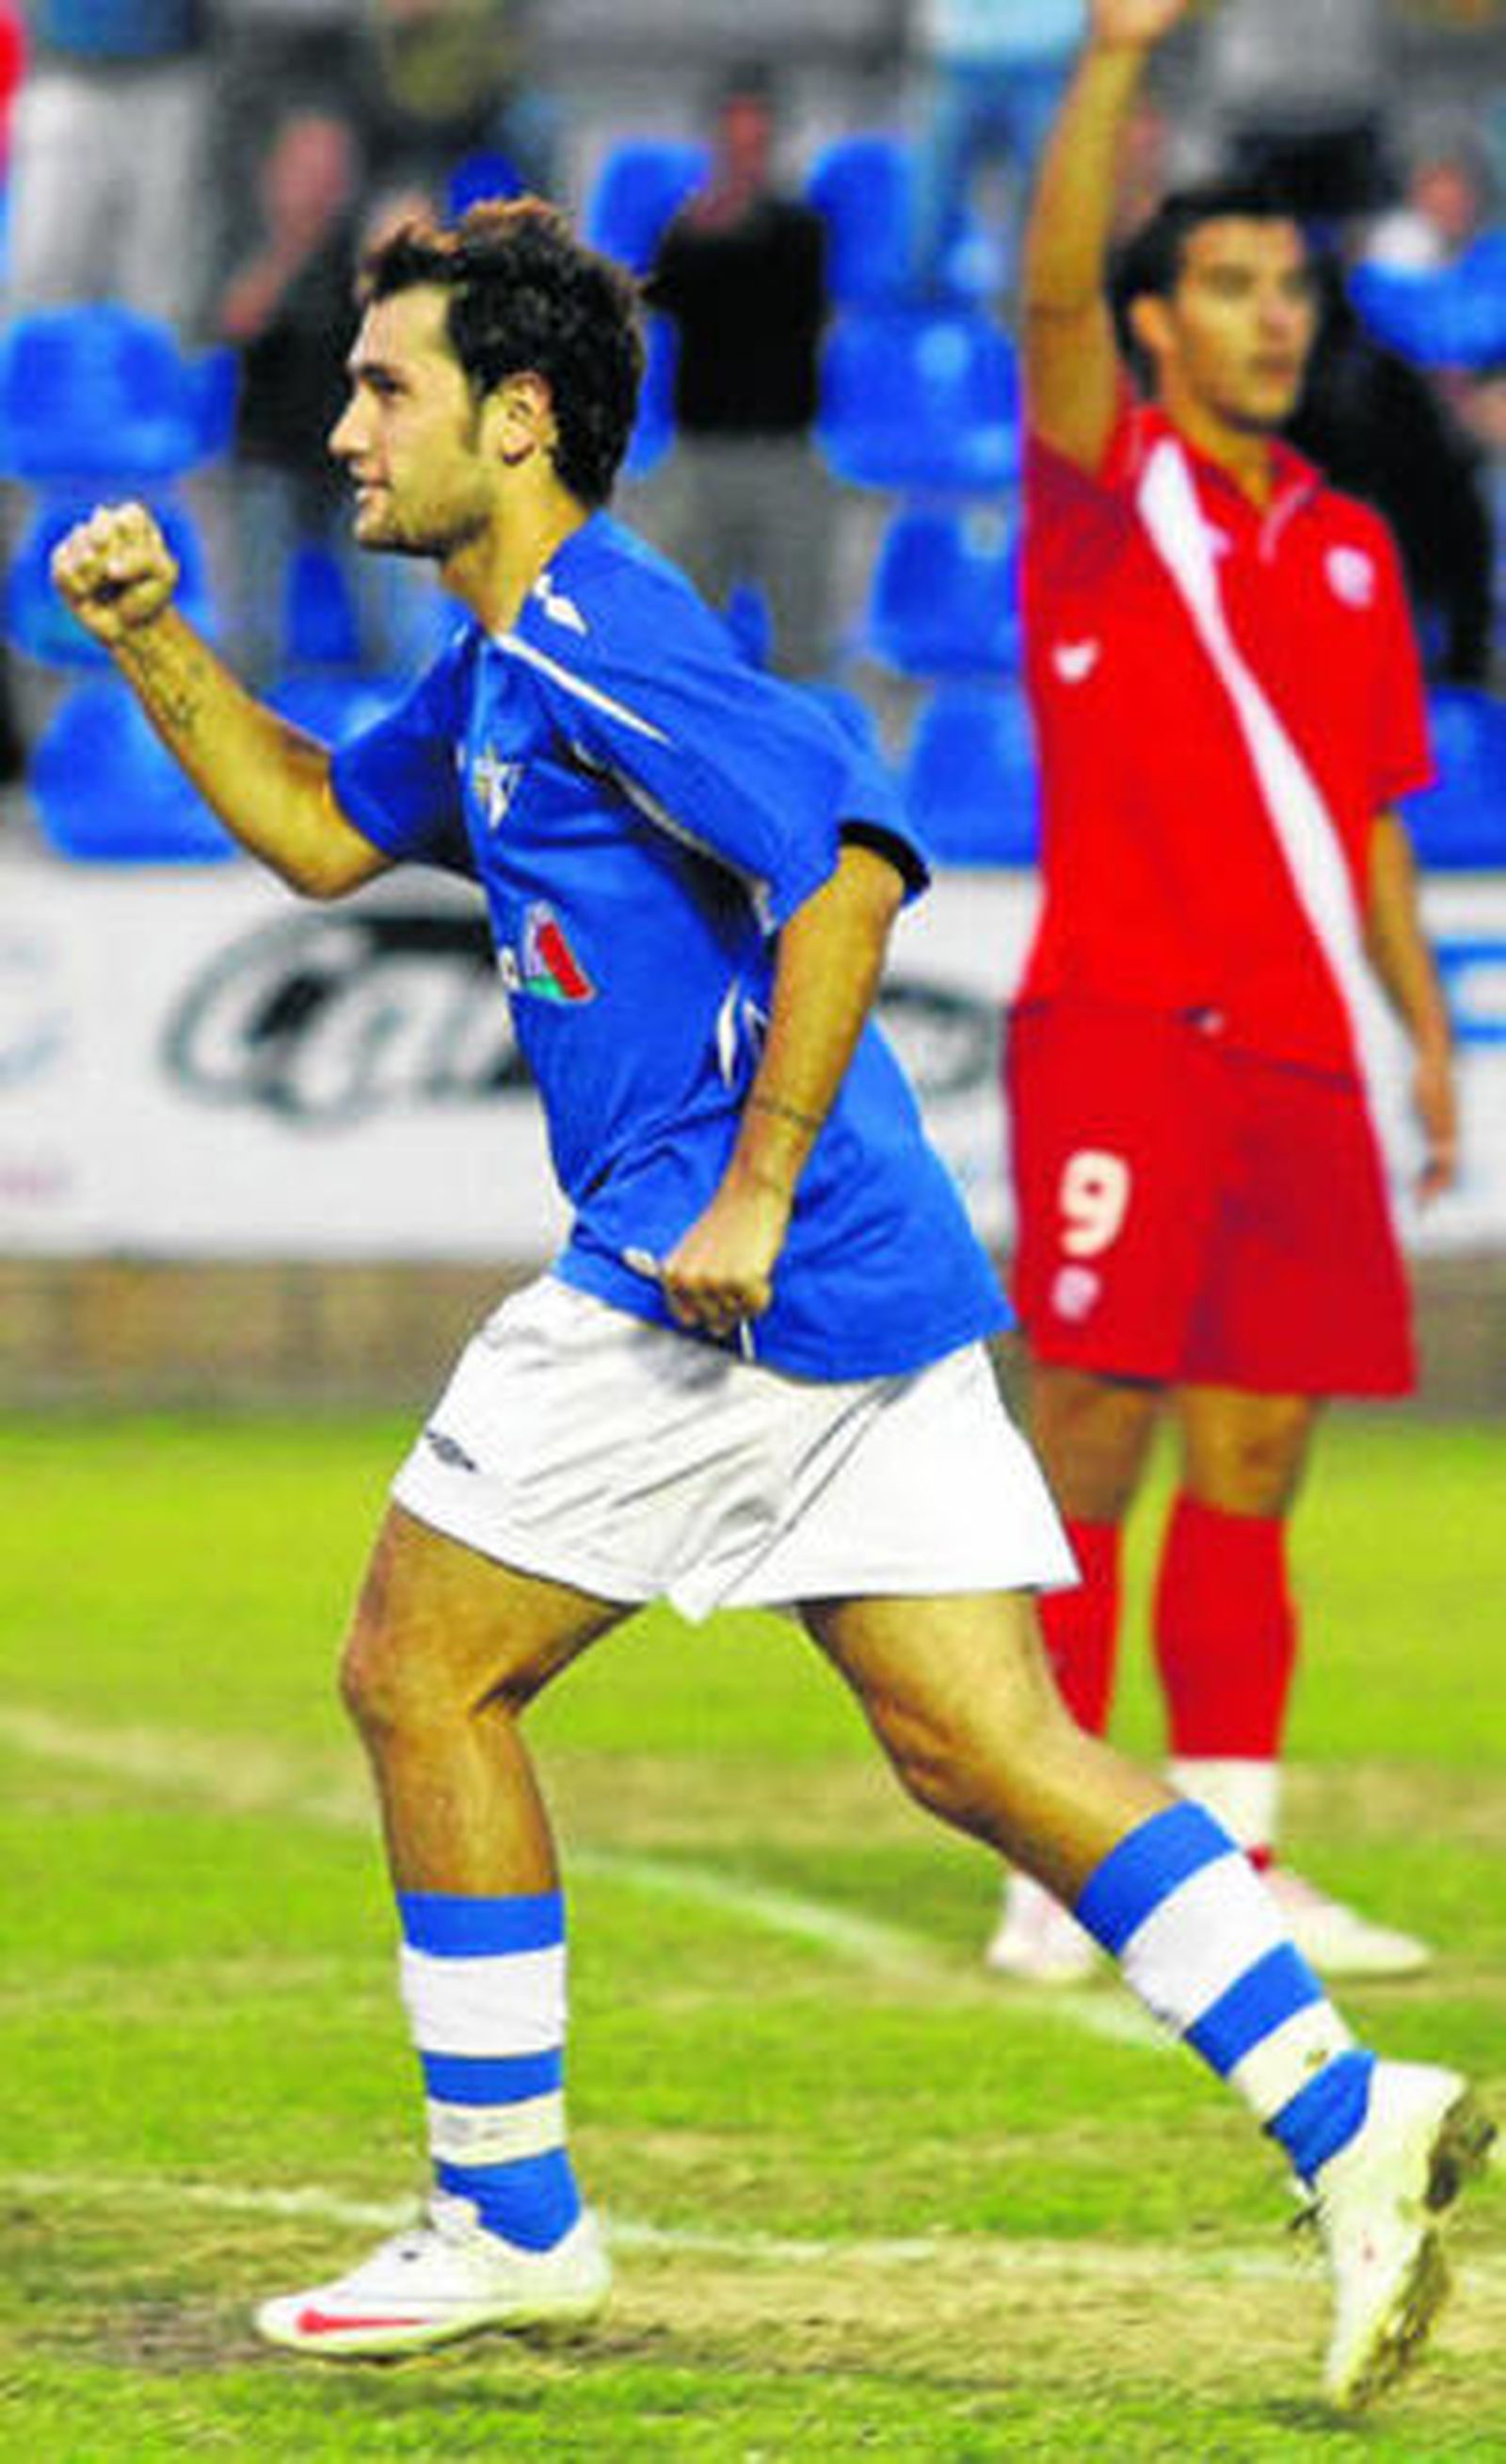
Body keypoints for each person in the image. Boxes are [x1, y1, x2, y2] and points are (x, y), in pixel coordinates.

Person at [52, 195, 1492, 2413]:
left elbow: (841, 850)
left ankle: (505, 2216)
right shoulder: (494, 668)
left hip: (709, 1274)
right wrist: (153, 638)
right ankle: (1344, 2106)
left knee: (415, 1668)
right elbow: (329, 838)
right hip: (870, 1279)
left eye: (385, 389)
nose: (345, 429)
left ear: (515, 419)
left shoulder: (601, 639)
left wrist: (743, 1184)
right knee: (984, 1745)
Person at [984, 0, 1463, 1989]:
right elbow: (1039, 318)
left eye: (1287, 288)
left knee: (1255, 1456)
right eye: (1228, 287)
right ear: (1154, 323)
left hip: (1294, 1061)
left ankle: (1240, 1851)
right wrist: (1105, 65)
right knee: (1086, 1437)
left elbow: (1360, 833)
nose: (1271, 319)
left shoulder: (1346, 549)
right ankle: (1059, 1859)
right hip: (1115, 1039)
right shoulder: (1105, 505)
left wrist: (1423, 1036)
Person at [644, 64, 837, 680]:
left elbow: (787, 306)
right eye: (735, 141)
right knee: (681, 642)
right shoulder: (681, 237)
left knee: (802, 648)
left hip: (785, 455)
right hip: (701, 455)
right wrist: (704, 236)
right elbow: (670, 302)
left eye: (757, 141)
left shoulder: (803, 232)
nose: (746, 155)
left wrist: (721, 240)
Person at [907, 0, 1087, 298]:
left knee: (1046, 204)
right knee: (931, 203)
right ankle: (912, 314)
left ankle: (1034, 316)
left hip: (1046, 55)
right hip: (961, 55)